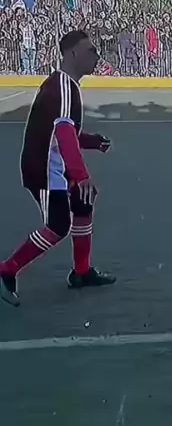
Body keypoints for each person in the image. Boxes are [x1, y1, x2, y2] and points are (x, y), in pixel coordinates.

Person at [0, 29, 115, 307]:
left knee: (83, 203)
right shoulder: (63, 86)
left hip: (55, 166)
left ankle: (81, 272)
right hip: (44, 171)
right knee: (58, 225)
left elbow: (64, 132)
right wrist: (81, 175)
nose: (96, 56)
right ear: (73, 53)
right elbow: (63, 133)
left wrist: (91, 141)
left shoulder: (65, 86)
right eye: (91, 50)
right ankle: (7, 269)